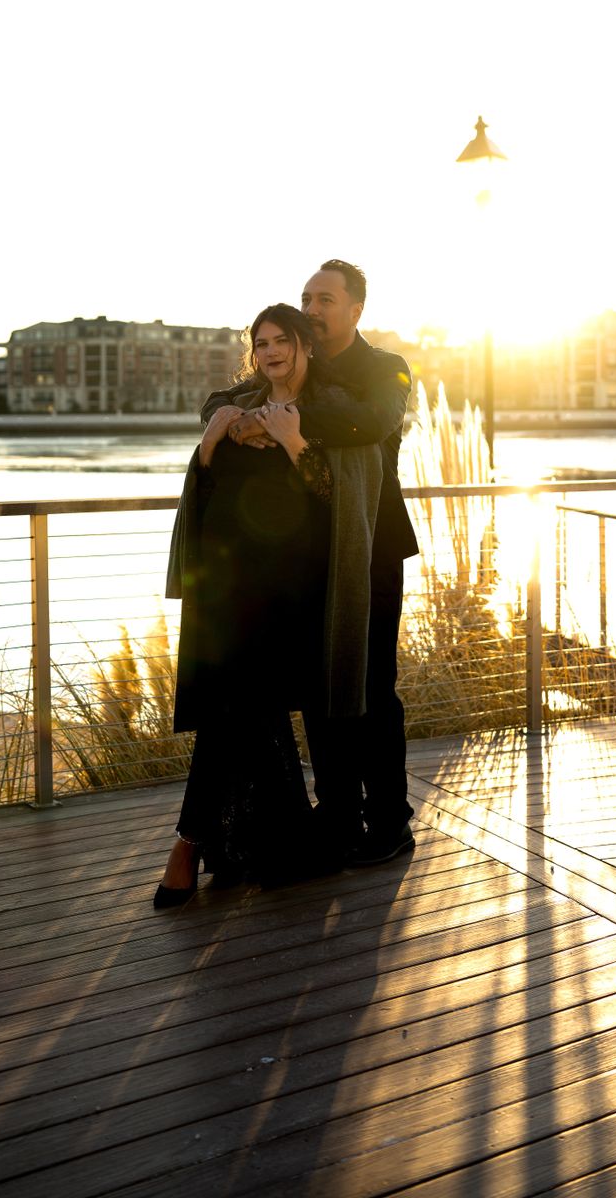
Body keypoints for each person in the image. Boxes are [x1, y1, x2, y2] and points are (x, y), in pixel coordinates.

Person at [155, 302, 381, 907]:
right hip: (228, 586)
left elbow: (337, 502)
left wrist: (293, 440)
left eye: (282, 340)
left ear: (305, 345)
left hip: (291, 591)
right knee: (237, 710)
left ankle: (188, 845)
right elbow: (205, 490)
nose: (272, 351)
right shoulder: (235, 407)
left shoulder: (332, 411)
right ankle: (256, 842)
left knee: (234, 708)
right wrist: (209, 444)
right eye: (261, 343)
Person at [204, 260, 418, 866]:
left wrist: (274, 424)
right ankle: (338, 813)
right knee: (322, 687)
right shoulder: (300, 364)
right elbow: (221, 400)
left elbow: (370, 420)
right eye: (306, 299)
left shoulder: (387, 367)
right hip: (310, 554)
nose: (313, 309)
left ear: (356, 309)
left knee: (372, 685)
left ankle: (391, 821)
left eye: (325, 299)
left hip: (371, 546)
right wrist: (248, 418)